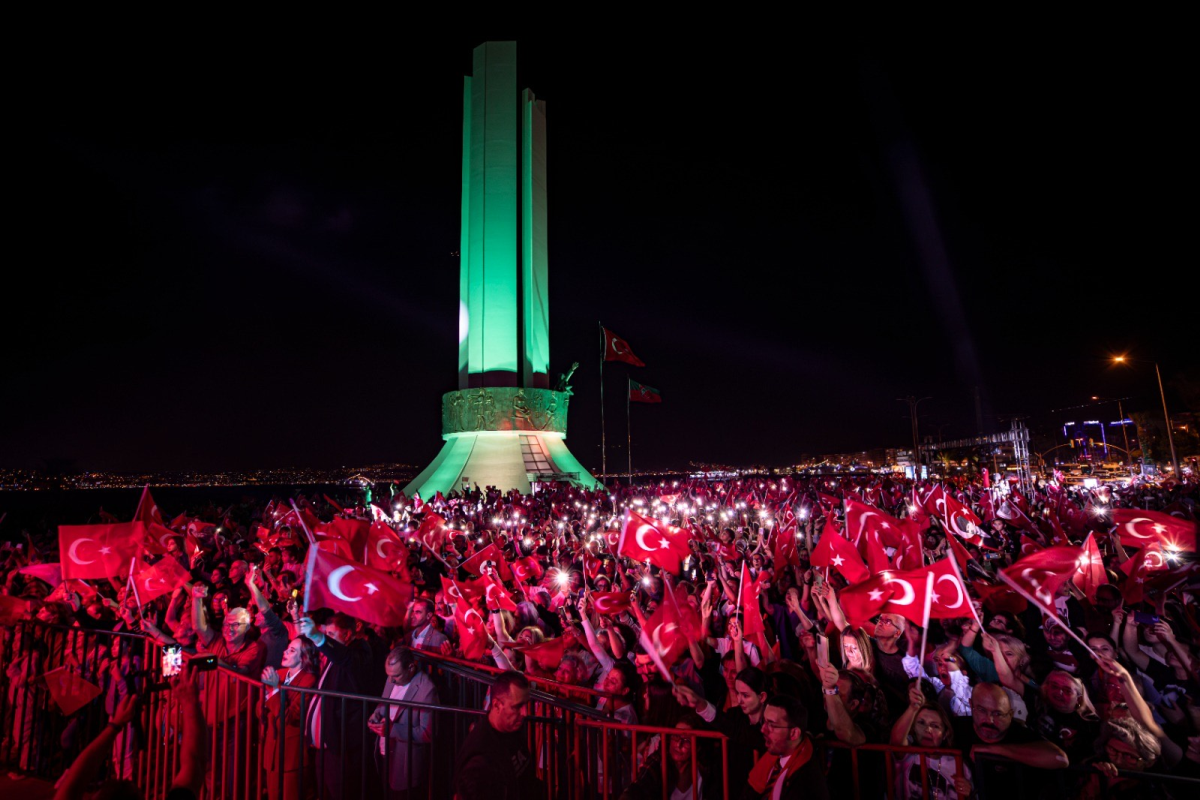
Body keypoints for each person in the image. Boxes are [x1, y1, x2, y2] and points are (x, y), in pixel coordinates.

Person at [299, 612, 375, 800]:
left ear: (347, 635)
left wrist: (318, 636)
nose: (328, 640)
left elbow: (347, 659)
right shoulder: (337, 652)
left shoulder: (360, 652)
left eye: (332, 635)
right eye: (327, 634)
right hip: (324, 747)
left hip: (341, 748)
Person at [950, 682, 1068, 795]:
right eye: (982, 710)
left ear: (1010, 714)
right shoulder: (955, 728)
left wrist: (991, 750)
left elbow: (1060, 759)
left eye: (998, 714)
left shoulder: (1020, 735)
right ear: (971, 705)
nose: (989, 720)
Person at [454, 671, 543, 800]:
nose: (525, 713)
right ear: (496, 705)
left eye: (526, 704)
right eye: (517, 707)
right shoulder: (480, 758)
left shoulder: (512, 728)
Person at [367, 646, 438, 798]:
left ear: (411, 667)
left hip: (404, 762)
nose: (391, 680)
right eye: (389, 675)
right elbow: (383, 703)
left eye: (396, 676)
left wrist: (392, 730)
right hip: (384, 753)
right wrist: (375, 716)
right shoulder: (392, 677)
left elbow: (427, 733)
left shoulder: (426, 690)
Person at [890, 682, 972, 800]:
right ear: (913, 727)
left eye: (935, 726)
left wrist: (969, 792)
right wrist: (913, 708)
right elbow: (896, 742)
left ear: (945, 734)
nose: (927, 729)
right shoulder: (908, 754)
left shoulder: (958, 763)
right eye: (921, 723)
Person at [261, 637, 319, 800]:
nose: (285, 652)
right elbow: (260, 709)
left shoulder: (309, 681)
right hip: (272, 750)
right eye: (287, 648)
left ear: (303, 657)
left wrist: (273, 690)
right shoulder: (278, 674)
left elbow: (291, 717)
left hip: (292, 754)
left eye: (292, 650)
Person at [740, 694, 829, 800]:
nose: (763, 729)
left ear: (794, 733)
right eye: (764, 721)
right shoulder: (773, 758)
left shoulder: (807, 781)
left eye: (772, 725)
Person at [620, 712, 715, 800]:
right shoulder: (658, 761)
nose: (679, 744)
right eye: (676, 736)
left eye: (686, 740)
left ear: (697, 746)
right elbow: (639, 786)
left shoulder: (704, 768)